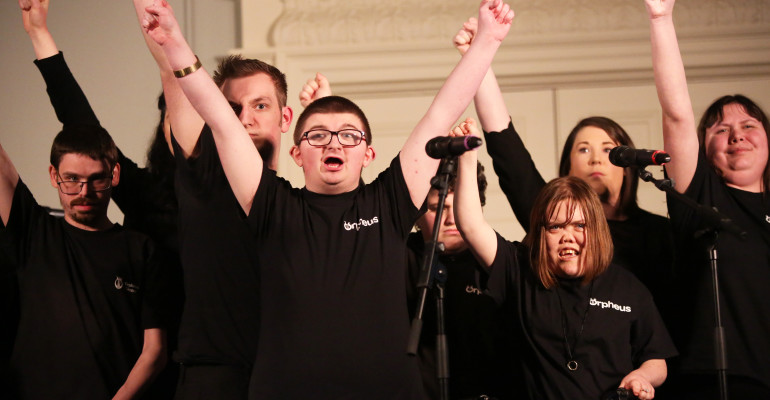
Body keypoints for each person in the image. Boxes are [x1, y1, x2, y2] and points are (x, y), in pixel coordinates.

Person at [140, 0, 513, 397]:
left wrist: (487, 42)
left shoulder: (388, 203)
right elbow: (219, 118)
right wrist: (174, 41)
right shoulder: (273, 206)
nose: (334, 142)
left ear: (367, 154)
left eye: (349, 135)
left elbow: (442, 112)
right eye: (317, 134)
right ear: (298, 152)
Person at [131, 0, 300, 395]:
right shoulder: (201, 169)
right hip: (213, 376)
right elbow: (170, 72)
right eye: (232, 107)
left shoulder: (297, 201)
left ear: (285, 118)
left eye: (260, 105)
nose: (245, 117)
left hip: (287, 375)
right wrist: (155, 16)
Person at [20, 0, 182, 395]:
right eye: (176, 114)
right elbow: (79, 120)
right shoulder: (147, 193)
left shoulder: (244, 195)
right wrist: (40, 34)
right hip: (146, 366)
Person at [452, 18, 676, 301]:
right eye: (583, 150)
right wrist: (479, 56)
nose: (595, 159)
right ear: (568, 169)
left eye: (608, 149)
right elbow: (506, 147)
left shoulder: (660, 234)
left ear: (627, 169)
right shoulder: (547, 215)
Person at [452, 118, 677, 399]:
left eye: (579, 226)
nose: (567, 236)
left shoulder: (628, 287)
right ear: (541, 233)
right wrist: (468, 158)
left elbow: (657, 360)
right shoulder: (521, 272)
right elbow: (471, 225)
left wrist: (641, 377)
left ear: (596, 231)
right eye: (556, 226)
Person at [646, 0, 770, 397]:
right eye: (721, 129)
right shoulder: (701, 197)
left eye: (748, 125)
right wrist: (661, 19)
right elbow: (677, 115)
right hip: (713, 382)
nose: (736, 135)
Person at [0, 120, 170, 398]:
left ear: (114, 174)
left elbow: (155, 350)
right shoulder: (34, 232)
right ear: (54, 175)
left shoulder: (141, 249)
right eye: (72, 179)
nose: (84, 192)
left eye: (96, 179)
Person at [406, 157, 518, 399]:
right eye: (438, 208)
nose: (451, 219)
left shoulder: (498, 261)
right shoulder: (397, 259)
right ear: (416, 213)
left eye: (459, 207)